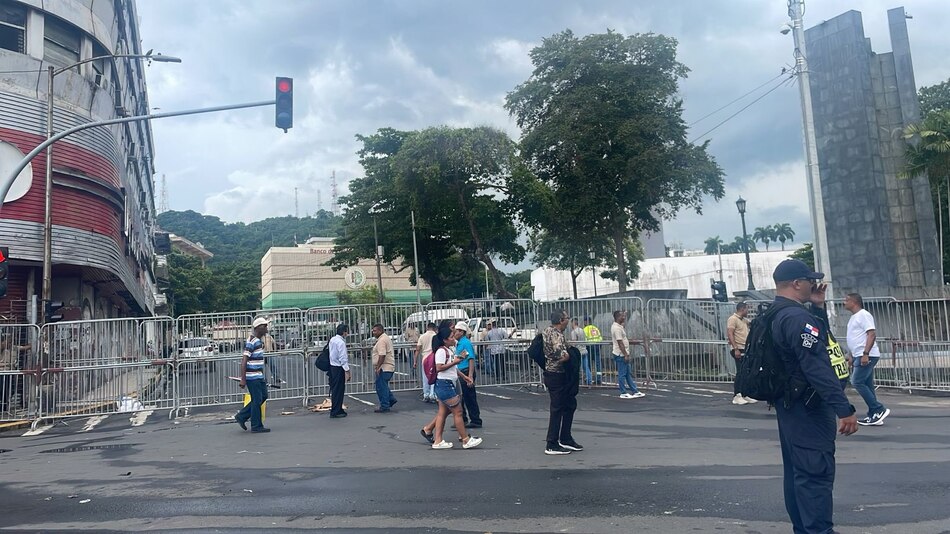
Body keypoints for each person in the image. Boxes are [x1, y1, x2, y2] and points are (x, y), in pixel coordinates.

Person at [769, 259, 858, 534]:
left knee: (797, 473)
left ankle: (804, 529)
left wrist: (817, 307)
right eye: (809, 280)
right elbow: (817, 366)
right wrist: (843, 408)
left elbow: (819, 344)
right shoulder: (796, 318)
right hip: (809, 406)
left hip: (790, 406)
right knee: (814, 473)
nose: (813, 284)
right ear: (797, 284)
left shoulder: (775, 312)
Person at [421, 326, 482, 450]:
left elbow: (453, 369)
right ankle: (465, 439)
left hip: (446, 384)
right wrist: (456, 362)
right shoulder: (441, 351)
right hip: (445, 384)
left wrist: (464, 376)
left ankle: (438, 440)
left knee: (443, 413)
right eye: (451, 337)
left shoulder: (447, 350)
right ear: (445, 339)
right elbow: (439, 367)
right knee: (458, 412)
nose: (453, 339)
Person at [844, 293, 890, 426]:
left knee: (856, 381)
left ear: (855, 302)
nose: (844, 303)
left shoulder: (863, 315)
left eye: (846, 300)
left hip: (866, 354)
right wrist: (852, 355)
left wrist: (865, 353)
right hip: (859, 354)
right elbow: (855, 338)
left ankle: (878, 409)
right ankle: (874, 415)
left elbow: (871, 334)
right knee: (867, 384)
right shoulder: (854, 317)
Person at [541, 310, 582, 455]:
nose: (568, 321)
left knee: (568, 405)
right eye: (566, 318)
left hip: (551, 373)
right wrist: (570, 355)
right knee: (558, 408)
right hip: (557, 374)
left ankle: (565, 438)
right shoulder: (556, 335)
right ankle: (552, 443)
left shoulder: (547, 331)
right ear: (560, 320)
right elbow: (562, 355)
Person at [234, 317, 271, 433]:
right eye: (264, 326)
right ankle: (256, 425)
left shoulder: (258, 341)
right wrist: (243, 379)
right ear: (258, 328)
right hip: (252, 376)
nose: (266, 328)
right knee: (257, 399)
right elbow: (244, 360)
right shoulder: (252, 341)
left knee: (263, 396)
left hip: (258, 375)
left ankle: (242, 415)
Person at [727, 302, 757, 405]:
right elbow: (730, 333)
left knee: (745, 372)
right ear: (742, 309)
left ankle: (744, 393)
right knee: (740, 372)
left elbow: (753, 323)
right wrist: (735, 348)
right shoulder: (733, 319)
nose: (748, 312)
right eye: (747, 309)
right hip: (738, 348)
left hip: (745, 348)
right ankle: (737, 395)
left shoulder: (743, 320)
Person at [455, 321, 482, 429]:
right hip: (462, 371)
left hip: (466, 371)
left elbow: (471, 359)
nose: (454, 333)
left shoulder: (465, 343)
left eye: (456, 331)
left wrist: (470, 376)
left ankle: (475, 420)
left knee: (469, 397)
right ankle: (463, 419)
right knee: (462, 397)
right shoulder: (460, 343)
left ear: (461, 332)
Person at [611, 310, 644, 399]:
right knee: (622, 374)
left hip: (622, 353)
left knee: (627, 373)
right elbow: (620, 342)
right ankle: (623, 392)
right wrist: (625, 354)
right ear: (618, 317)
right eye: (622, 316)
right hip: (620, 354)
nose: (624, 317)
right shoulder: (616, 328)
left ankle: (635, 390)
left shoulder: (619, 326)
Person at [372, 323, 398, 413]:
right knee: (383, 385)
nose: (373, 332)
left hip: (384, 366)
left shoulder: (382, 340)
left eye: (375, 330)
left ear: (380, 330)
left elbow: (382, 355)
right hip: (387, 366)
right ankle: (390, 399)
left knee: (381, 387)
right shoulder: (384, 338)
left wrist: (378, 367)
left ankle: (384, 406)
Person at [328, 323, 351, 418]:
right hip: (338, 367)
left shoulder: (333, 340)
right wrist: (347, 371)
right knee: (339, 390)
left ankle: (337, 408)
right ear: (344, 332)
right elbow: (343, 358)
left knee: (336, 390)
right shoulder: (341, 343)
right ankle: (336, 411)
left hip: (332, 366)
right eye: (347, 331)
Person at [416, 322, 437, 402]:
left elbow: (418, 349)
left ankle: (426, 394)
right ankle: (433, 394)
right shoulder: (436, 336)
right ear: (434, 328)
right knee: (433, 376)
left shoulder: (422, 337)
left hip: (425, 358)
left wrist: (415, 361)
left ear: (427, 327)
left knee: (425, 377)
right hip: (434, 357)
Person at [568, 318, 590, 386]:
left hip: (578, 351)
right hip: (584, 350)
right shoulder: (582, 330)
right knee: (586, 367)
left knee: (577, 367)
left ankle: (576, 382)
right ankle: (589, 380)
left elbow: (574, 342)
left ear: (573, 323)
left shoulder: (574, 332)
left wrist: (569, 343)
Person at [583, 316, 603, 384]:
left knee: (588, 363)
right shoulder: (595, 328)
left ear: (586, 322)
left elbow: (584, 339)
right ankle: (599, 378)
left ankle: (589, 377)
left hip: (590, 346)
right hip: (597, 345)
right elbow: (600, 338)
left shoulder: (585, 329)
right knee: (598, 362)